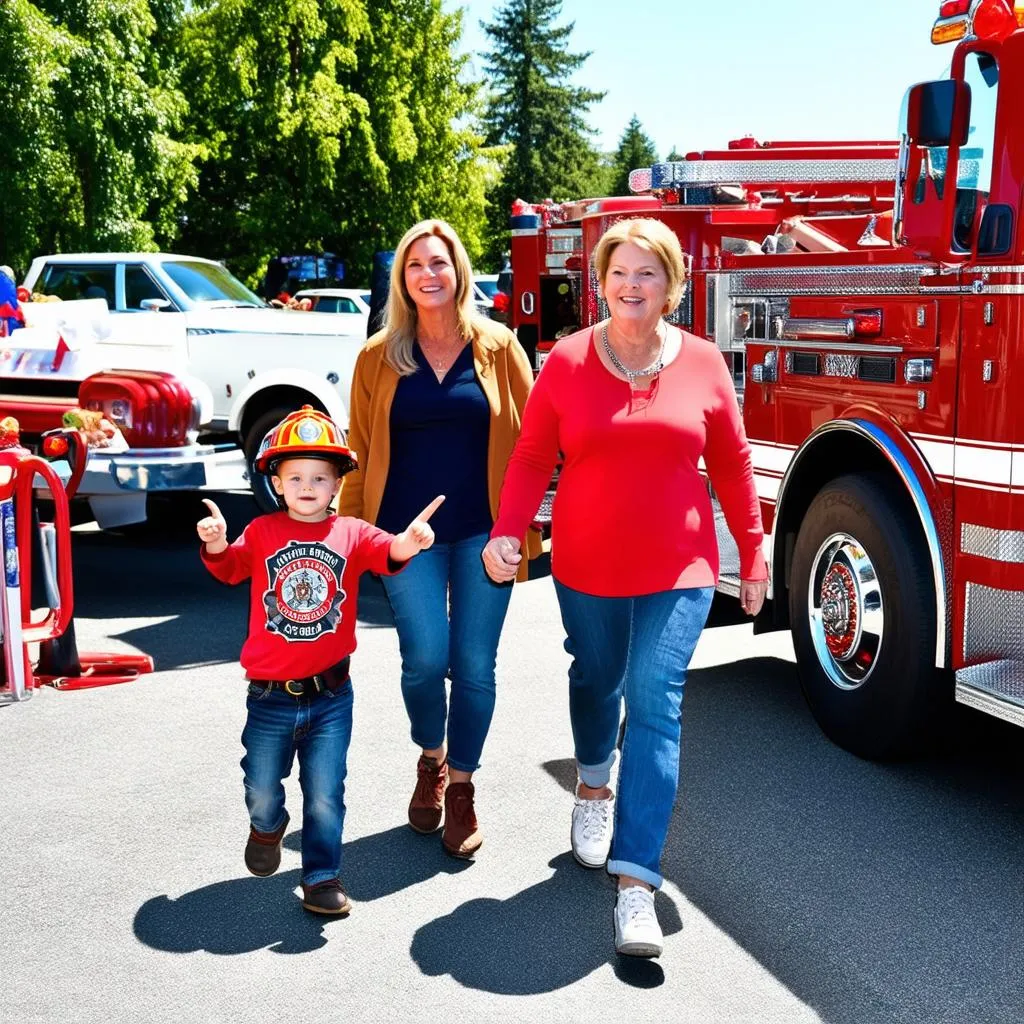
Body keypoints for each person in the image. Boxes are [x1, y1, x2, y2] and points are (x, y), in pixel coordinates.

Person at [482, 218, 768, 958]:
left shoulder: (704, 363)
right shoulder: (568, 362)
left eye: (647, 274)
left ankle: (636, 881)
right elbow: (532, 455)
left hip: (682, 565)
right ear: (599, 283)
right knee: (597, 679)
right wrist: (508, 530)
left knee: (654, 697)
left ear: (671, 285)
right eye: (618, 273)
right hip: (588, 562)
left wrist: (755, 551)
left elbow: (732, 465)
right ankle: (593, 785)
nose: (631, 286)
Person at [339, 219, 539, 859]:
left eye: (440, 263)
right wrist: (347, 540)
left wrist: (523, 528)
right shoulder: (378, 356)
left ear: (459, 272)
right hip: (407, 539)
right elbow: (359, 450)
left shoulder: (500, 347)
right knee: (426, 660)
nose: (429, 274)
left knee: (475, 666)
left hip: (487, 535)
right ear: (403, 279)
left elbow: (533, 445)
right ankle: (432, 755)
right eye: (416, 265)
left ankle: (460, 787)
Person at [198, 405, 440, 914]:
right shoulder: (262, 532)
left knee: (326, 792)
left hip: (331, 696)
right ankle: (267, 827)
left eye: (320, 477)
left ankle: (322, 876)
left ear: (336, 485)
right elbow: (230, 569)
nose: (308, 486)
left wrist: (410, 542)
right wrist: (218, 543)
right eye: (296, 477)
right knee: (261, 787)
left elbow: (387, 553)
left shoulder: (350, 532)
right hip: (268, 697)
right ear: (277, 482)